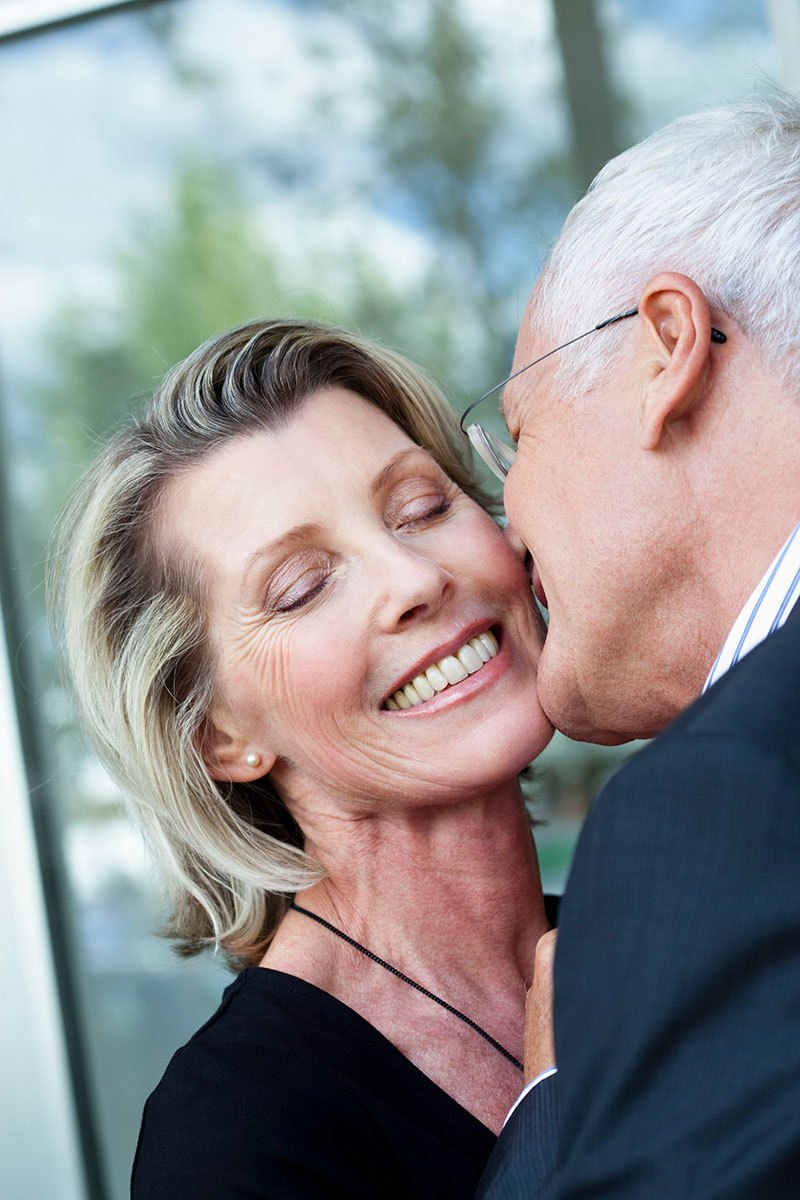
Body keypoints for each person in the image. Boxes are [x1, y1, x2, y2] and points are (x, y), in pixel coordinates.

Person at [48, 318, 560, 1199]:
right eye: (302, 587)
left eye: (424, 508)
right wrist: (556, 1118)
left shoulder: (664, 929)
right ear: (217, 735)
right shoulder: (231, 1136)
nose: (414, 579)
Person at [470, 93, 800, 1198]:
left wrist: (558, 1094)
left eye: (514, 437)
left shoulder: (722, 805)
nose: (503, 529)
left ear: (665, 348)